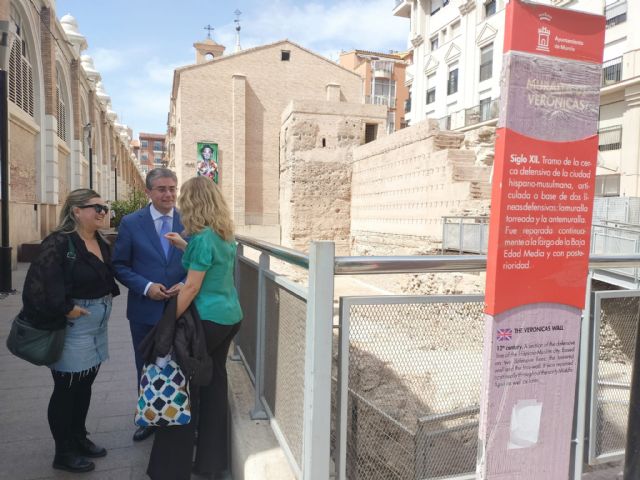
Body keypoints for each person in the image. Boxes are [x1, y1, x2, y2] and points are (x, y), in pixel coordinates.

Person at [146, 176, 242, 480]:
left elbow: (192, 287)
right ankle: (211, 464)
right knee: (214, 385)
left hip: (206, 321)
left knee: (182, 389)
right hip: (229, 317)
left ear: (192, 204)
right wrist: (183, 245)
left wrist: (169, 322)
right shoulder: (223, 235)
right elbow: (210, 266)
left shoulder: (202, 239)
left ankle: (169, 469)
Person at [21, 188, 120, 473]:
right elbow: (39, 283)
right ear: (77, 211)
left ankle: (78, 437)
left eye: (105, 208)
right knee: (67, 389)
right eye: (97, 208)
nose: (103, 212)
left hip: (97, 326)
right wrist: (67, 309)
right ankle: (63, 452)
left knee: (84, 385)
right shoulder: (59, 242)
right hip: (73, 326)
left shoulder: (99, 240)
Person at [112, 168, 186, 442]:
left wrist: (185, 283)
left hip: (181, 308)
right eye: (162, 189)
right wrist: (146, 287)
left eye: (172, 189)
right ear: (148, 192)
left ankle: (180, 415)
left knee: (181, 362)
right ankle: (150, 416)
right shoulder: (132, 223)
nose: (168, 194)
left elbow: (199, 261)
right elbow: (120, 265)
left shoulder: (188, 220)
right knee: (146, 365)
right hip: (145, 309)